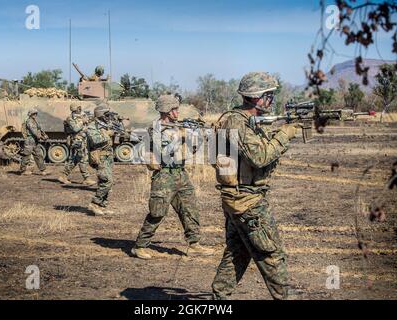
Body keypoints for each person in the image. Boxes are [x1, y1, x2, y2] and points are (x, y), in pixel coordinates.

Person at [211, 72, 297, 300]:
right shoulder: (237, 122)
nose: (271, 100)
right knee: (271, 256)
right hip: (248, 202)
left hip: (237, 199)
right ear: (257, 97)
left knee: (236, 254)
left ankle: (219, 299)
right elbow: (260, 157)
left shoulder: (236, 120)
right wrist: (285, 136)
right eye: (269, 95)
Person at [131, 94, 214, 260]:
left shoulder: (177, 128)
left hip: (180, 174)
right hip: (164, 176)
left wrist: (198, 138)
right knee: (158, 212)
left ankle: (194, 244)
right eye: (174, 109)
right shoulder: (157, 129)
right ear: (166, 111)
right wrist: (187, 137)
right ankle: (140, 245)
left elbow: (190, 151)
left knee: (190, 209)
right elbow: (168, 153)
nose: (177, 112)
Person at [86, 102, 115, 216]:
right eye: (106, 114)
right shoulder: (92, 126)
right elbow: (95, 140)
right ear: (101, 115)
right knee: (107, 181)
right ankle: (95, 203)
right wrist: (107, 134)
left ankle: (102, 206)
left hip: (108, 157)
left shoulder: (105, 125)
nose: (109, 117)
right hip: (100, 157)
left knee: (106, 182)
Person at [58, 103, 96, 186]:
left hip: (82, 140)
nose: (80, 109)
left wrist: (88, 120)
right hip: (76, 141)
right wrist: (83, 121)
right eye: (79, 108)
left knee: (74, 160)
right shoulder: (70, 118)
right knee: (82, 159)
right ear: (75, 109)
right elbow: (75, 129)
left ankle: (63, 176)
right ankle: (87, 178)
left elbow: (87, 124)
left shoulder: (81, 116)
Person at [19, 108, 48, 176]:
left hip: (35, 141)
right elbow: (34, 131)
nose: (35, 115)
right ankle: (22, 171)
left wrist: (44, 134)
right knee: (26, 156)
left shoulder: (35, 121)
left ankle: (43, 170)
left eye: (35, 113)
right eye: (33, 113)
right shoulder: (29, 121)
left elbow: (39, 129)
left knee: (38, 155)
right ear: (30, 114)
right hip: (29, 140)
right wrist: (42, 137)